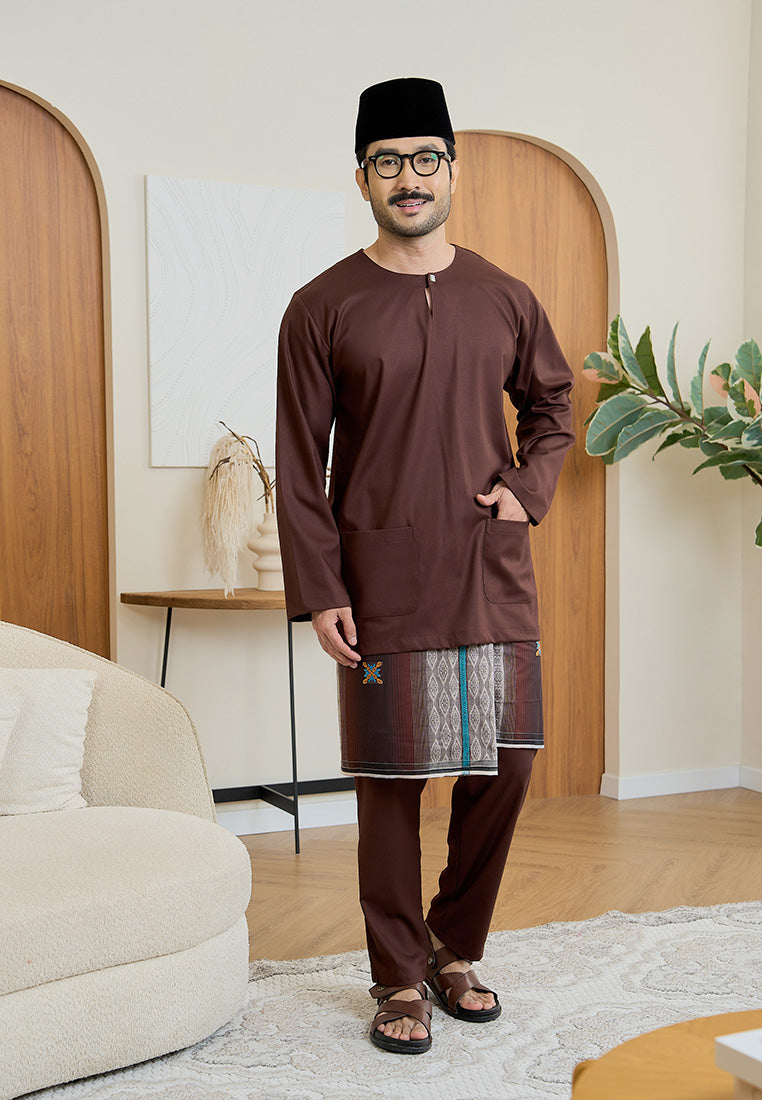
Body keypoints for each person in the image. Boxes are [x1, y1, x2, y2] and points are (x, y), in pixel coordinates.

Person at [275, 77, 575, 1055]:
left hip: (490, 573)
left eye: (426, 159)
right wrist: (322, 588)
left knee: (511, 764)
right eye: (388, 161)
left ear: (453, 168)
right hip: (381, 580)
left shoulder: (505, 294)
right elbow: (298, 459)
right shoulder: (322, 305)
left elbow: (553, 407)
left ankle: (455, 944)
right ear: (363, 176)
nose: (410, 178)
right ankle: (398, 975)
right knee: (390, 782)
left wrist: (524, 490)